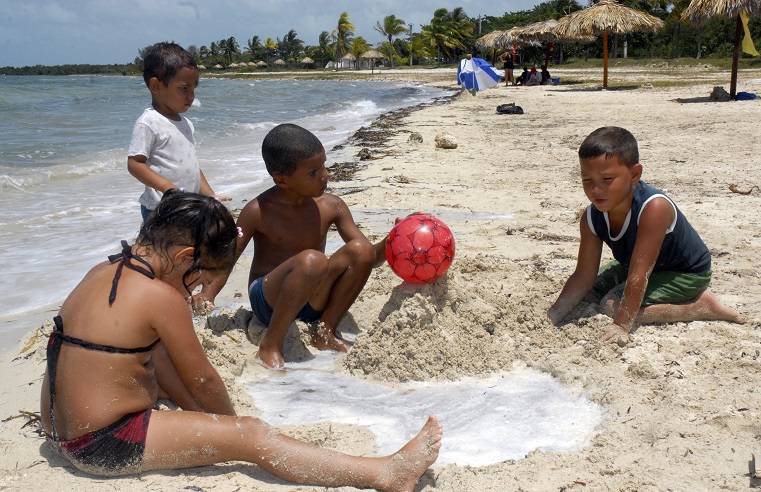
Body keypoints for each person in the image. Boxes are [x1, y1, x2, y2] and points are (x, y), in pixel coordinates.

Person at [40, 190, 443, 489]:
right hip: (101, 444)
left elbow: (151, 361)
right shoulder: (161, 297)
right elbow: (204, 381)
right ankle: (384, 474)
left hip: (58, 430)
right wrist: (231, 430)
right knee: (252, 434)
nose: (197, 285)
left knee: (153, 357)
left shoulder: (101, 271)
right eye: (199, 275)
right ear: (183, 258)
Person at [199, 123, 389, 368]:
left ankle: (325, 330)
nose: (325, 175)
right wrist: (208, 293)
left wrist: (390, 242)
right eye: (313, 172)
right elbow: (230, 256)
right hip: (269, 302)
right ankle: (270, 344)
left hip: (313, 300)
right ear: (282, 180)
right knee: (312, 259)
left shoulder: (332, 206)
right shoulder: (258, 211)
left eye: (324, 166)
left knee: (360, 247)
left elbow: (367, 259)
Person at [547, 127, 743, 343]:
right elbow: (583, 275)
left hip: (684, 273)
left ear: (634, 174)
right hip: (635, 266)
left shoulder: (654, 208)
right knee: (587, 293)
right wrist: (554, 314)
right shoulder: (592, 217)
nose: (596, 189)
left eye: (607, 178)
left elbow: (639, 274)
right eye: (587, 180)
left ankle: (702, 307)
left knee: (611, 305)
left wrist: (621, 325)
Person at [127, 41, 230, 220]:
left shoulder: (186, 123)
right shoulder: (149, 122)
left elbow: (192, 167)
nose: (191, 96)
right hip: (161, 209)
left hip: (188, 206)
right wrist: (168, 188)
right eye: (184, 89)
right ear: (156, 86)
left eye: (194, 88)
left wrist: (210, 196)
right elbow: (135, 164)